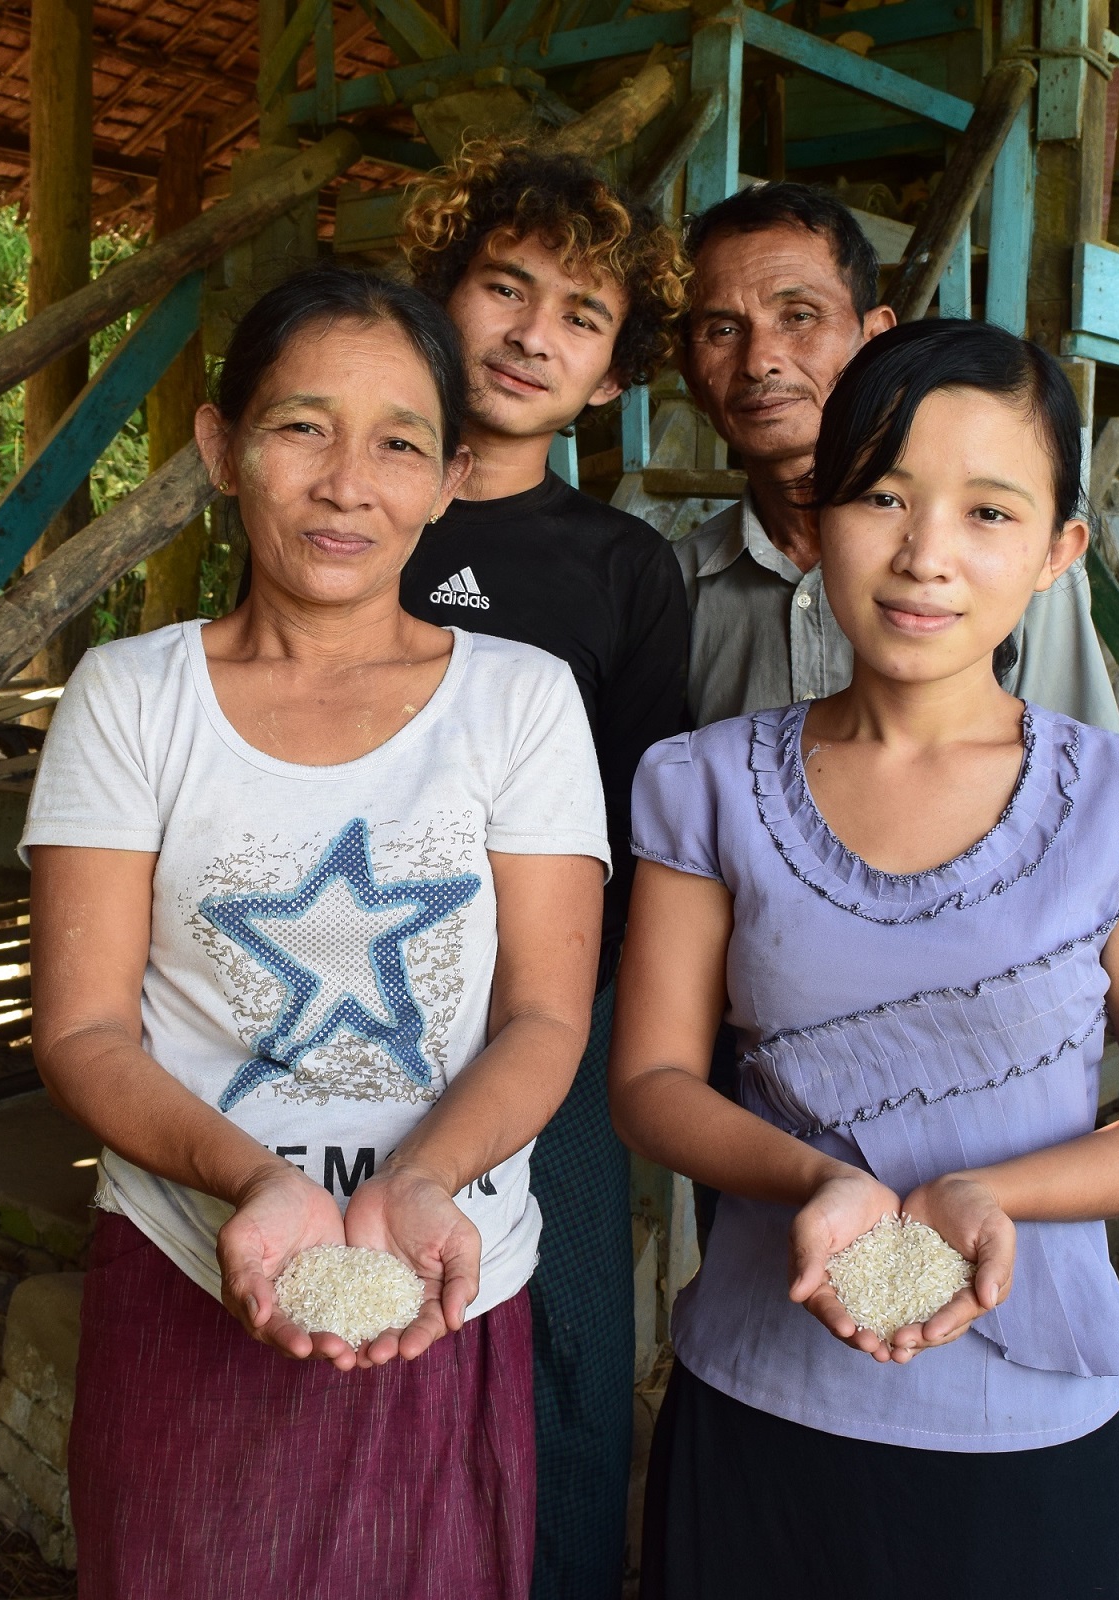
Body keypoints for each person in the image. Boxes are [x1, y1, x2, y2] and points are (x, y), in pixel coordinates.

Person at [610, 318, 1119, 1597]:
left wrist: (988, 1195)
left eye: (990, 512)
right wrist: (818, 1181)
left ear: (1063, 550)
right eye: (881, 496)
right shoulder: (705, 783)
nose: (925, 555)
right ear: (810, 522)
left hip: (1018, 1432)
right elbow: (653, 1083)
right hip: (758, 1401)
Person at [24, 264, 612, 1598]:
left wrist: (416, 1185)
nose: (350, 482)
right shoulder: (132, 700)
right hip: (190, 1260)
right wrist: (256, 1185)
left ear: (453, 473)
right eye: (302, 427)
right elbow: (84, 1027)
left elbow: (546, 1016)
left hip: (443, 1270)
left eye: (399, 442)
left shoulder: (519, 702)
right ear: (223, 448)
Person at [397, 140, 692, 1600]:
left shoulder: (625, 570)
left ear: (613, 370)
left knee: (568, 1329)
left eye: (578, 314)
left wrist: (584, 1028)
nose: (529, 333)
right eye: (502, 287)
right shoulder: (349, 511)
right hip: (344, 1001)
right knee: (353, 1297)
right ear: (439, 299)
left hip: (552, 1017)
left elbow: (644, 832)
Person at [674, 181, 1119, 732]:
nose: (760, 360)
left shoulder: (1009, 565)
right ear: (690, 372)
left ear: (874, 340)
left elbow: (1081, 786)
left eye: (800, 316)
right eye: (722, 329)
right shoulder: (675, 586)